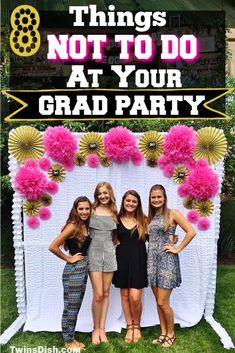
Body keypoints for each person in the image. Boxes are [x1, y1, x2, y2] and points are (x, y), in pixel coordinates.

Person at [147, 184, 196, 348]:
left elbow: (191, 231)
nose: (156, 200)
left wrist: (177, 248)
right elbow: (150, 238)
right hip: (152, 262)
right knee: (157, 301)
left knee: (163, 302)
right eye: (153, 197)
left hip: (167, 261)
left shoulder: (172, 213)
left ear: (164, 197)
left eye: (159, 197)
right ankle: (163, 333)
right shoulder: (150, 217)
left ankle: (171, 334)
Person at [48, 196, 91, 351]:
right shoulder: (72, 226)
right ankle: (69, 341)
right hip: (74, 271)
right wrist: (68, 258)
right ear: (75, 210)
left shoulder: (85, 225)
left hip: (83, 269)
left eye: (87, 208)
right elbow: (53, 246)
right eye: (81, 209)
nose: (84, 211)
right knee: (71, 307)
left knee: (74, 306)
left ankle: (70, 336)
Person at [113, 190, 148, 344]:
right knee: (125, 295)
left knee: (135, 297)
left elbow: (159, 233)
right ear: (123, 201)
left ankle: (137, 326)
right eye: (128, 200)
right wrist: (69, 224)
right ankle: (129, 326)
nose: (131, 203)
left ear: (138, 204)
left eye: (134, 201)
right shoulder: (116, 220)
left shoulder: (144, 220)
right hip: (121, 261)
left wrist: (173, 237)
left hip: (139, 261)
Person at [88, 181, 118, 344]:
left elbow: (116, 237)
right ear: (96, 195)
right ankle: (94, 329)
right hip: (93, 254)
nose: (102, 196)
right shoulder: (91, 210)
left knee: (106, 293)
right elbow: (76, 223)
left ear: (110, 193)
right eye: (99, 193)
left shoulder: (114, 212)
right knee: (98, 294)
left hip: (109, 254)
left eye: (105, 193)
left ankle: (102, 329)